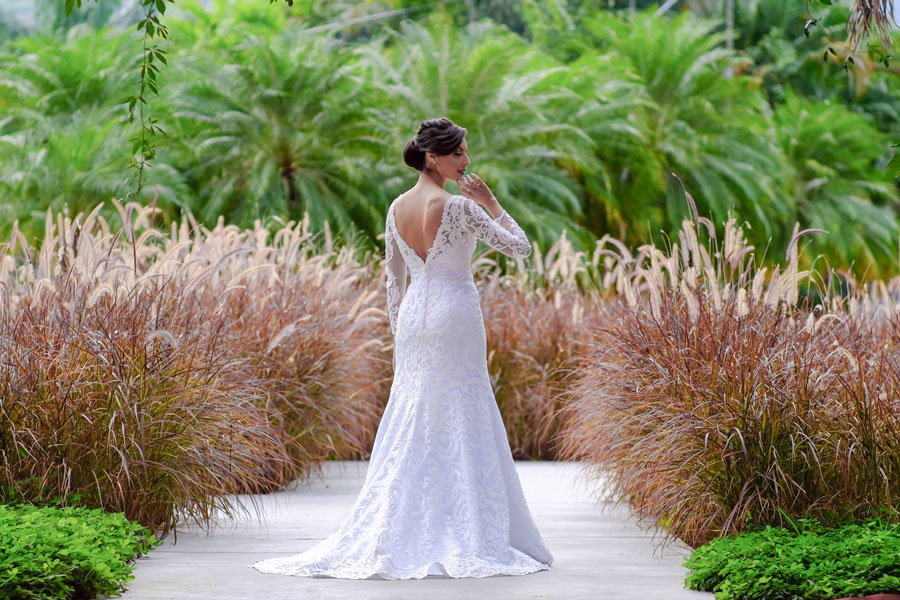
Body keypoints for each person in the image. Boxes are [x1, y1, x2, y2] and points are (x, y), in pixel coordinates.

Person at [250, 117, 553, 580]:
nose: (467, 161)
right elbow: (521, 248)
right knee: (461, 408)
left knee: (415, 411)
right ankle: (466, 526)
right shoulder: (460, 208)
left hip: (414, 319)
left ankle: (400, 523)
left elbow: (393, 280)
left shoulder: (395, 208)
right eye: (459, 154)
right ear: (434, 156)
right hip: (454, 313)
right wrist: (491, 202)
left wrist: (400, 338)